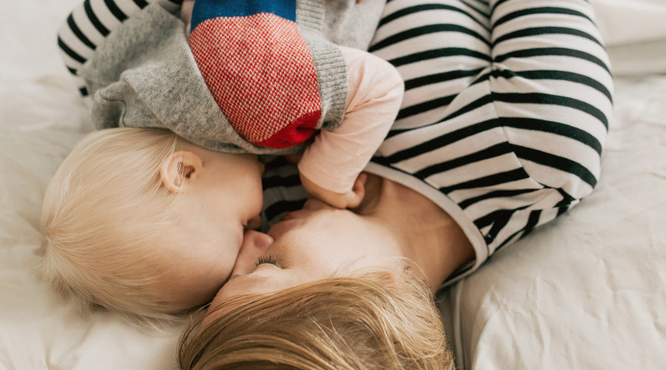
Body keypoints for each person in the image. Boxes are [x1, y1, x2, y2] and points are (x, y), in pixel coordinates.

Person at [177, 0, 614, 366]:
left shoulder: (276, 199)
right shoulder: (540, 146)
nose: (247, 240)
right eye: (267, 267)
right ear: (378, 285)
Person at [41, 0, 399, 325]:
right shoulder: (123, 85)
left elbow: (381, 86)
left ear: (184, 171)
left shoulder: (254, 106)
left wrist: (326, 178)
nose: (259, 231)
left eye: (242, 225)